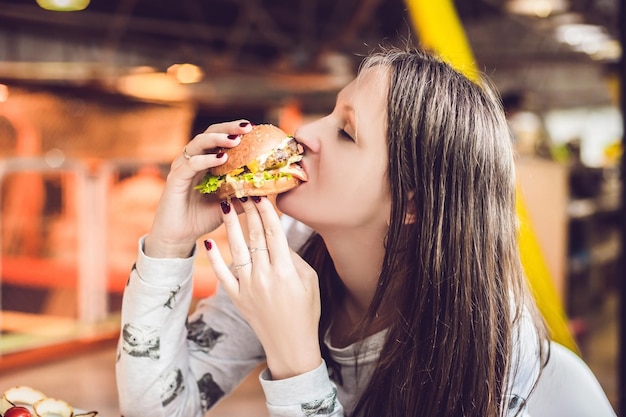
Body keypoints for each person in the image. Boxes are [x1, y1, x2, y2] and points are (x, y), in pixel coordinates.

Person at [116, 46, 549, 417]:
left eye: (345, 132)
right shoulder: (288, 249)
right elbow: (157, 407)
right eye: (330, 111)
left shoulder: (492, 343)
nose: (304, 132)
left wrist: (297, 364)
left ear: (411, 203)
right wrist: (168, 244)